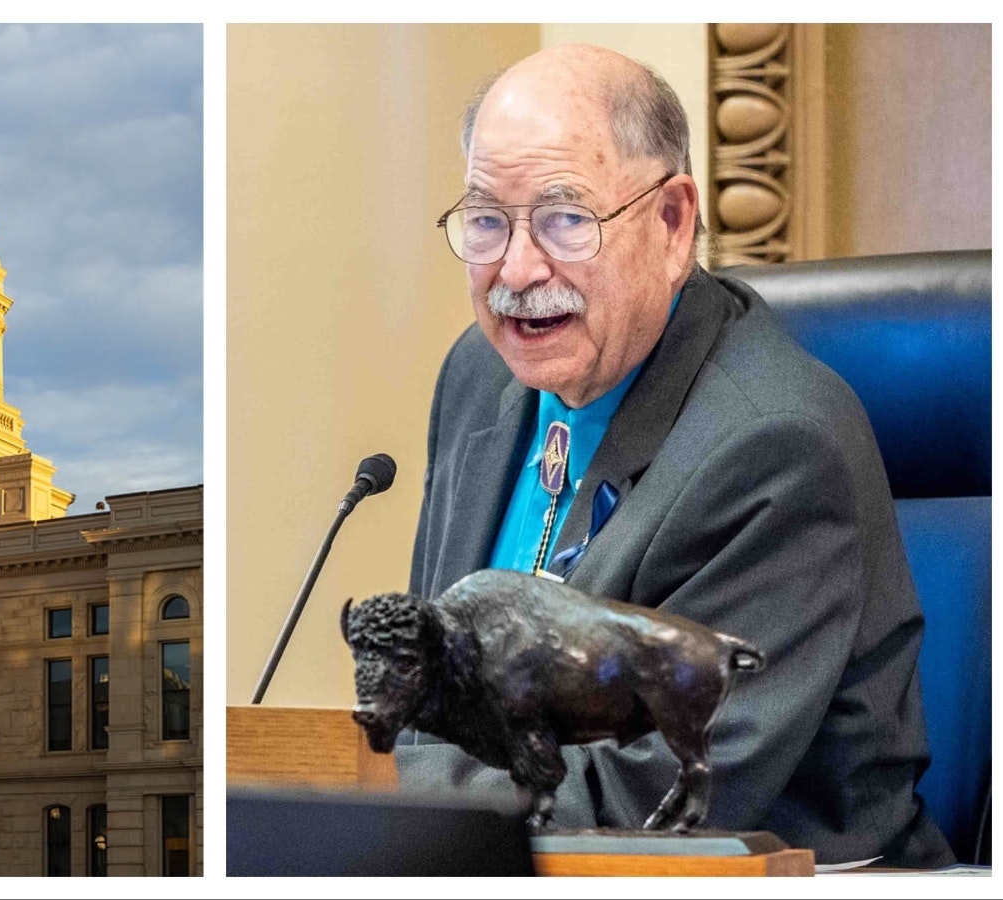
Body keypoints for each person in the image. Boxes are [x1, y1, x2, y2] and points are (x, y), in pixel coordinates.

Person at [399, 43, 954, 868]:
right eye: (486, 220)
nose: (517, 269)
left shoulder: (777, 446)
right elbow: (425, 684)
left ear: (671, 222)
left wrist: (411, 795)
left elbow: (652, 798)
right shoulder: (479, 376)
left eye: (564, 219)